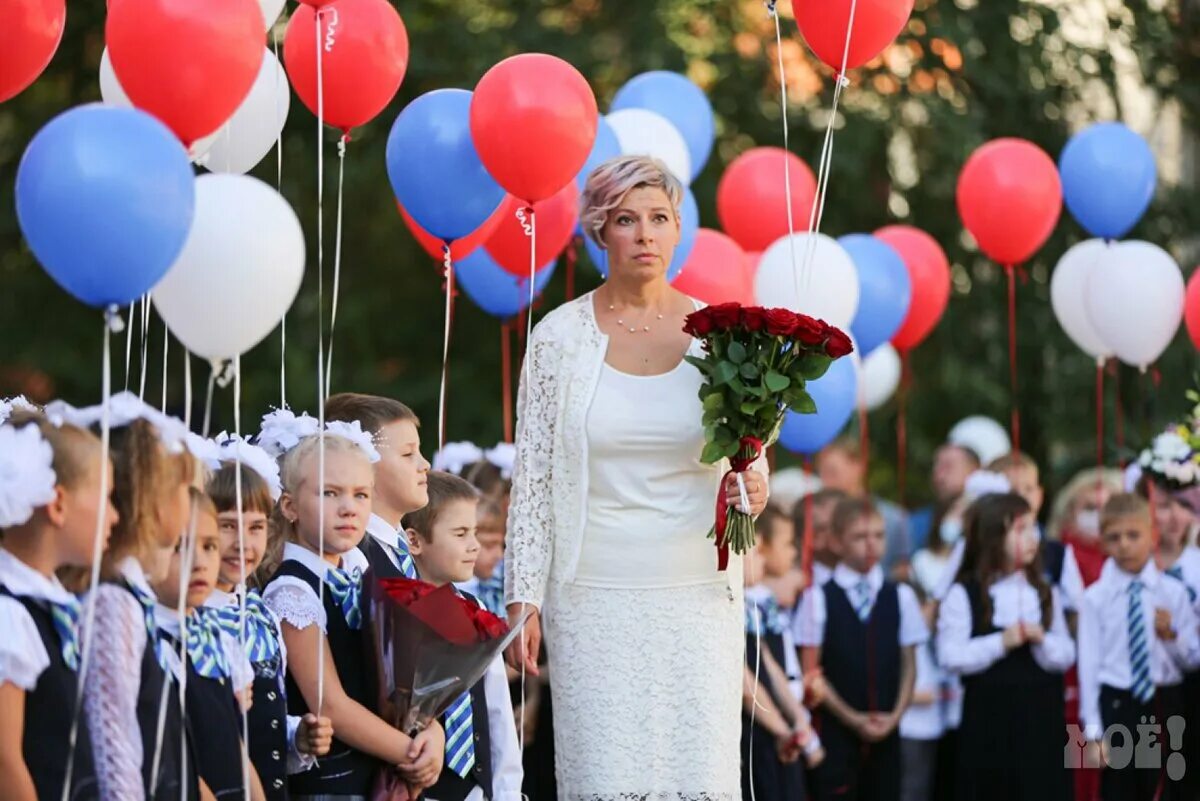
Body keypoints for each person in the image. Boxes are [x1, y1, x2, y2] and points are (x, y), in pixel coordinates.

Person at [503, 155, 770, 797]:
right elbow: (532, 479)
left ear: (678, 228)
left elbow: (751, 463)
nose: (645, 234)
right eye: (627, 220)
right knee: (603, 775)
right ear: (601, 232)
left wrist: (755, 489)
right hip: (592, 596)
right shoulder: (557, 340)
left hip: (698, 599)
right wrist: (524, 595)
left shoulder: (724, 339)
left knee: (697, 775)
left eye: (658, 218)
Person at [263, 429, 444, 799]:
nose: (349, 507)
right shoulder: (293, 590)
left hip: (386, 775)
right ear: (290, 506)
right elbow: (331, 705)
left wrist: (433, 733)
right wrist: (410, 752)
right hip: (336, 785)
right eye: (330, 493)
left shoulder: (364, 571)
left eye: (361, 494)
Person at [82, 409, 198, 800]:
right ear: (156, 499)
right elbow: (115, 746)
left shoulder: (132, 593)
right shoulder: (112, 601)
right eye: (185, 488)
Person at [203, 454, 333, 800]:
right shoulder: (193, 619)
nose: (243, 542)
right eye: (227, 525)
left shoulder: (261, 614)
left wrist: (296, 737)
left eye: (255, 527)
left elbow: (266, 712)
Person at [0, 414, 114, 801]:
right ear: (58, 503)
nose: (114, 516)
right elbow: (5, 760)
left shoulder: (51, 601)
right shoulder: (10, 614)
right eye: (106, 498)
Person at [936, 493, 1074, 801]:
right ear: (994, 537)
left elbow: (1066, 654)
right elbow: (950, 655)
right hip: (990, 720)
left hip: (1040, 718)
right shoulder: (966, 594)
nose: (1031, 538)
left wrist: (1042, 641)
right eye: (1020, 529)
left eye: (1033, 528)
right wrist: (1001, 642)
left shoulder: (1044, 590)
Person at [797, 497, 926, 801]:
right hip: (836, 735)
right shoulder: (817, 598)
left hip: (888, 734)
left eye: (879, 536)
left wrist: (894, 716)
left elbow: (909, 664)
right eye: (860, 537)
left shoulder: (901, 596)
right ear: (836, 542)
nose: (872, 545)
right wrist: (853, 718)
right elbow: (811, 671)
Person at [404, 471, 523, 801]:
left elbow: (496, 708)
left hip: (477, 790)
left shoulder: (474, 607)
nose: (474, 545)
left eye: (474, 533)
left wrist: (506, 791)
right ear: (414, 541)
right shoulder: (398, 612)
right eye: (460, 534)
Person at [1078, 493, 1200, 801]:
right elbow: (1088, 666)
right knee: (1119, 788)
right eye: (1114, 537)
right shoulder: (1095, 598)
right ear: (1103, 542)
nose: (1125, 545)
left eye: (1134, 535)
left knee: (1170, 787)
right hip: (1118, 703)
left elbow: (1191, 660)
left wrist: (1171, 636)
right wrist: (1092, 731)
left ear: (1152, 534)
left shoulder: (1172, 592)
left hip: (1166, 702)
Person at [151, 489, 264, 801]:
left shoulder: (217, 638)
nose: (200, 563)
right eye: (179, 548)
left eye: (209, 546)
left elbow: (235, 742)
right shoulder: (151, 644)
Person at [741, 517, 822, 801]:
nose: (760, 557)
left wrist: (800, 728)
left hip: (780, 728)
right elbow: (745, 684)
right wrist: (785, 730)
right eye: (754, 549)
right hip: (756, 732)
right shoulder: (732, 607)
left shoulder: (762, 601)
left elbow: (771, 667)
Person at [324, 393, 431, 579]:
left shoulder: (409, 549)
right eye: (407, 454)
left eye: (419, 451)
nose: (425, 465)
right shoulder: (348, 555)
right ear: (362, 463)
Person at [815, 438, 910, 576]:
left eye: (832, 472)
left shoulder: (894, 518)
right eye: (821, 474)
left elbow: (902, 570)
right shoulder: (818, 518)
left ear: (858, 466)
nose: (824, 481)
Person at [909, 444, 980, 554]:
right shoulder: (915, 524)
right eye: (936, 467)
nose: (938, 476)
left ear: (974, 471)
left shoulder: (988, 521)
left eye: (948, 467)